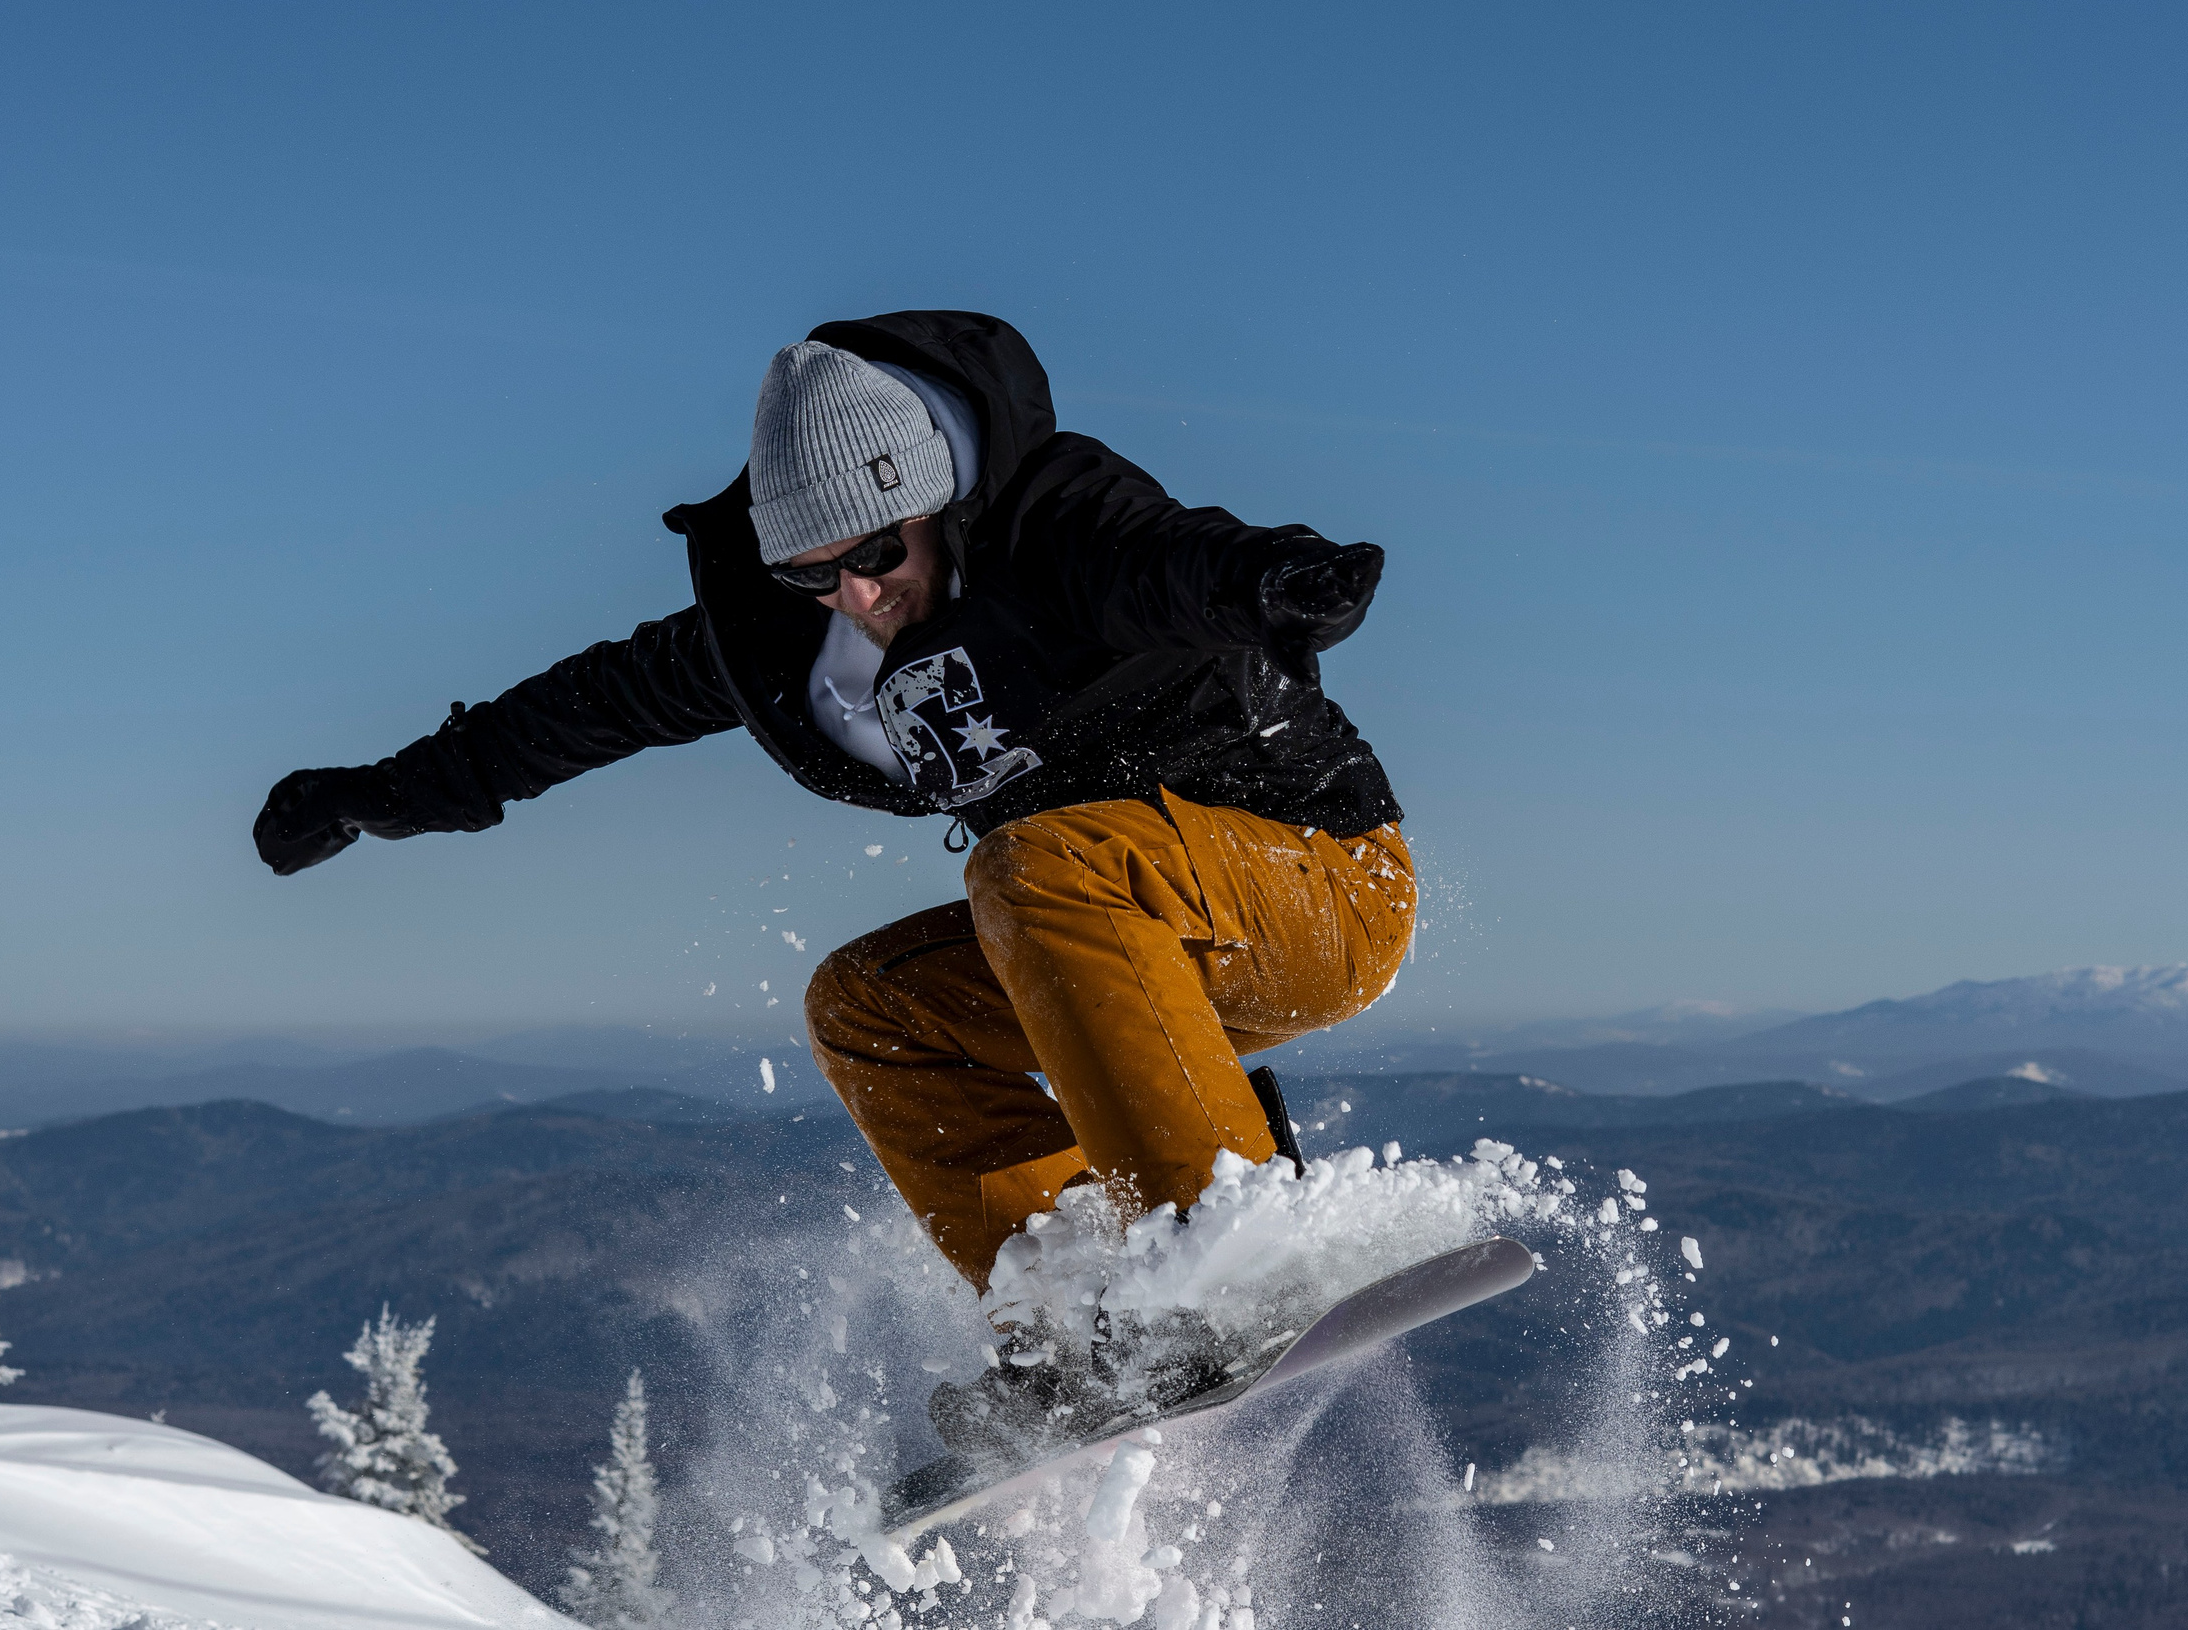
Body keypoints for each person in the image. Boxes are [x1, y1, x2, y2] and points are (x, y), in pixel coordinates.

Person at [254, 310, 1411, 1307]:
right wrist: (386, 792)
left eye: (874, 549)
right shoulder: (792, 643)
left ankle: (1219, 1260)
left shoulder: (1049, 526)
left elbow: (1158, 555)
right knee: (869, 1005)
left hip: (1314, 881)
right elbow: (590, 703)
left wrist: (1271, 577)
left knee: (1032, 861)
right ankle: (1076, 1300)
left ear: (936, 503)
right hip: (1121, 948)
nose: (858, 593)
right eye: (814, 572)